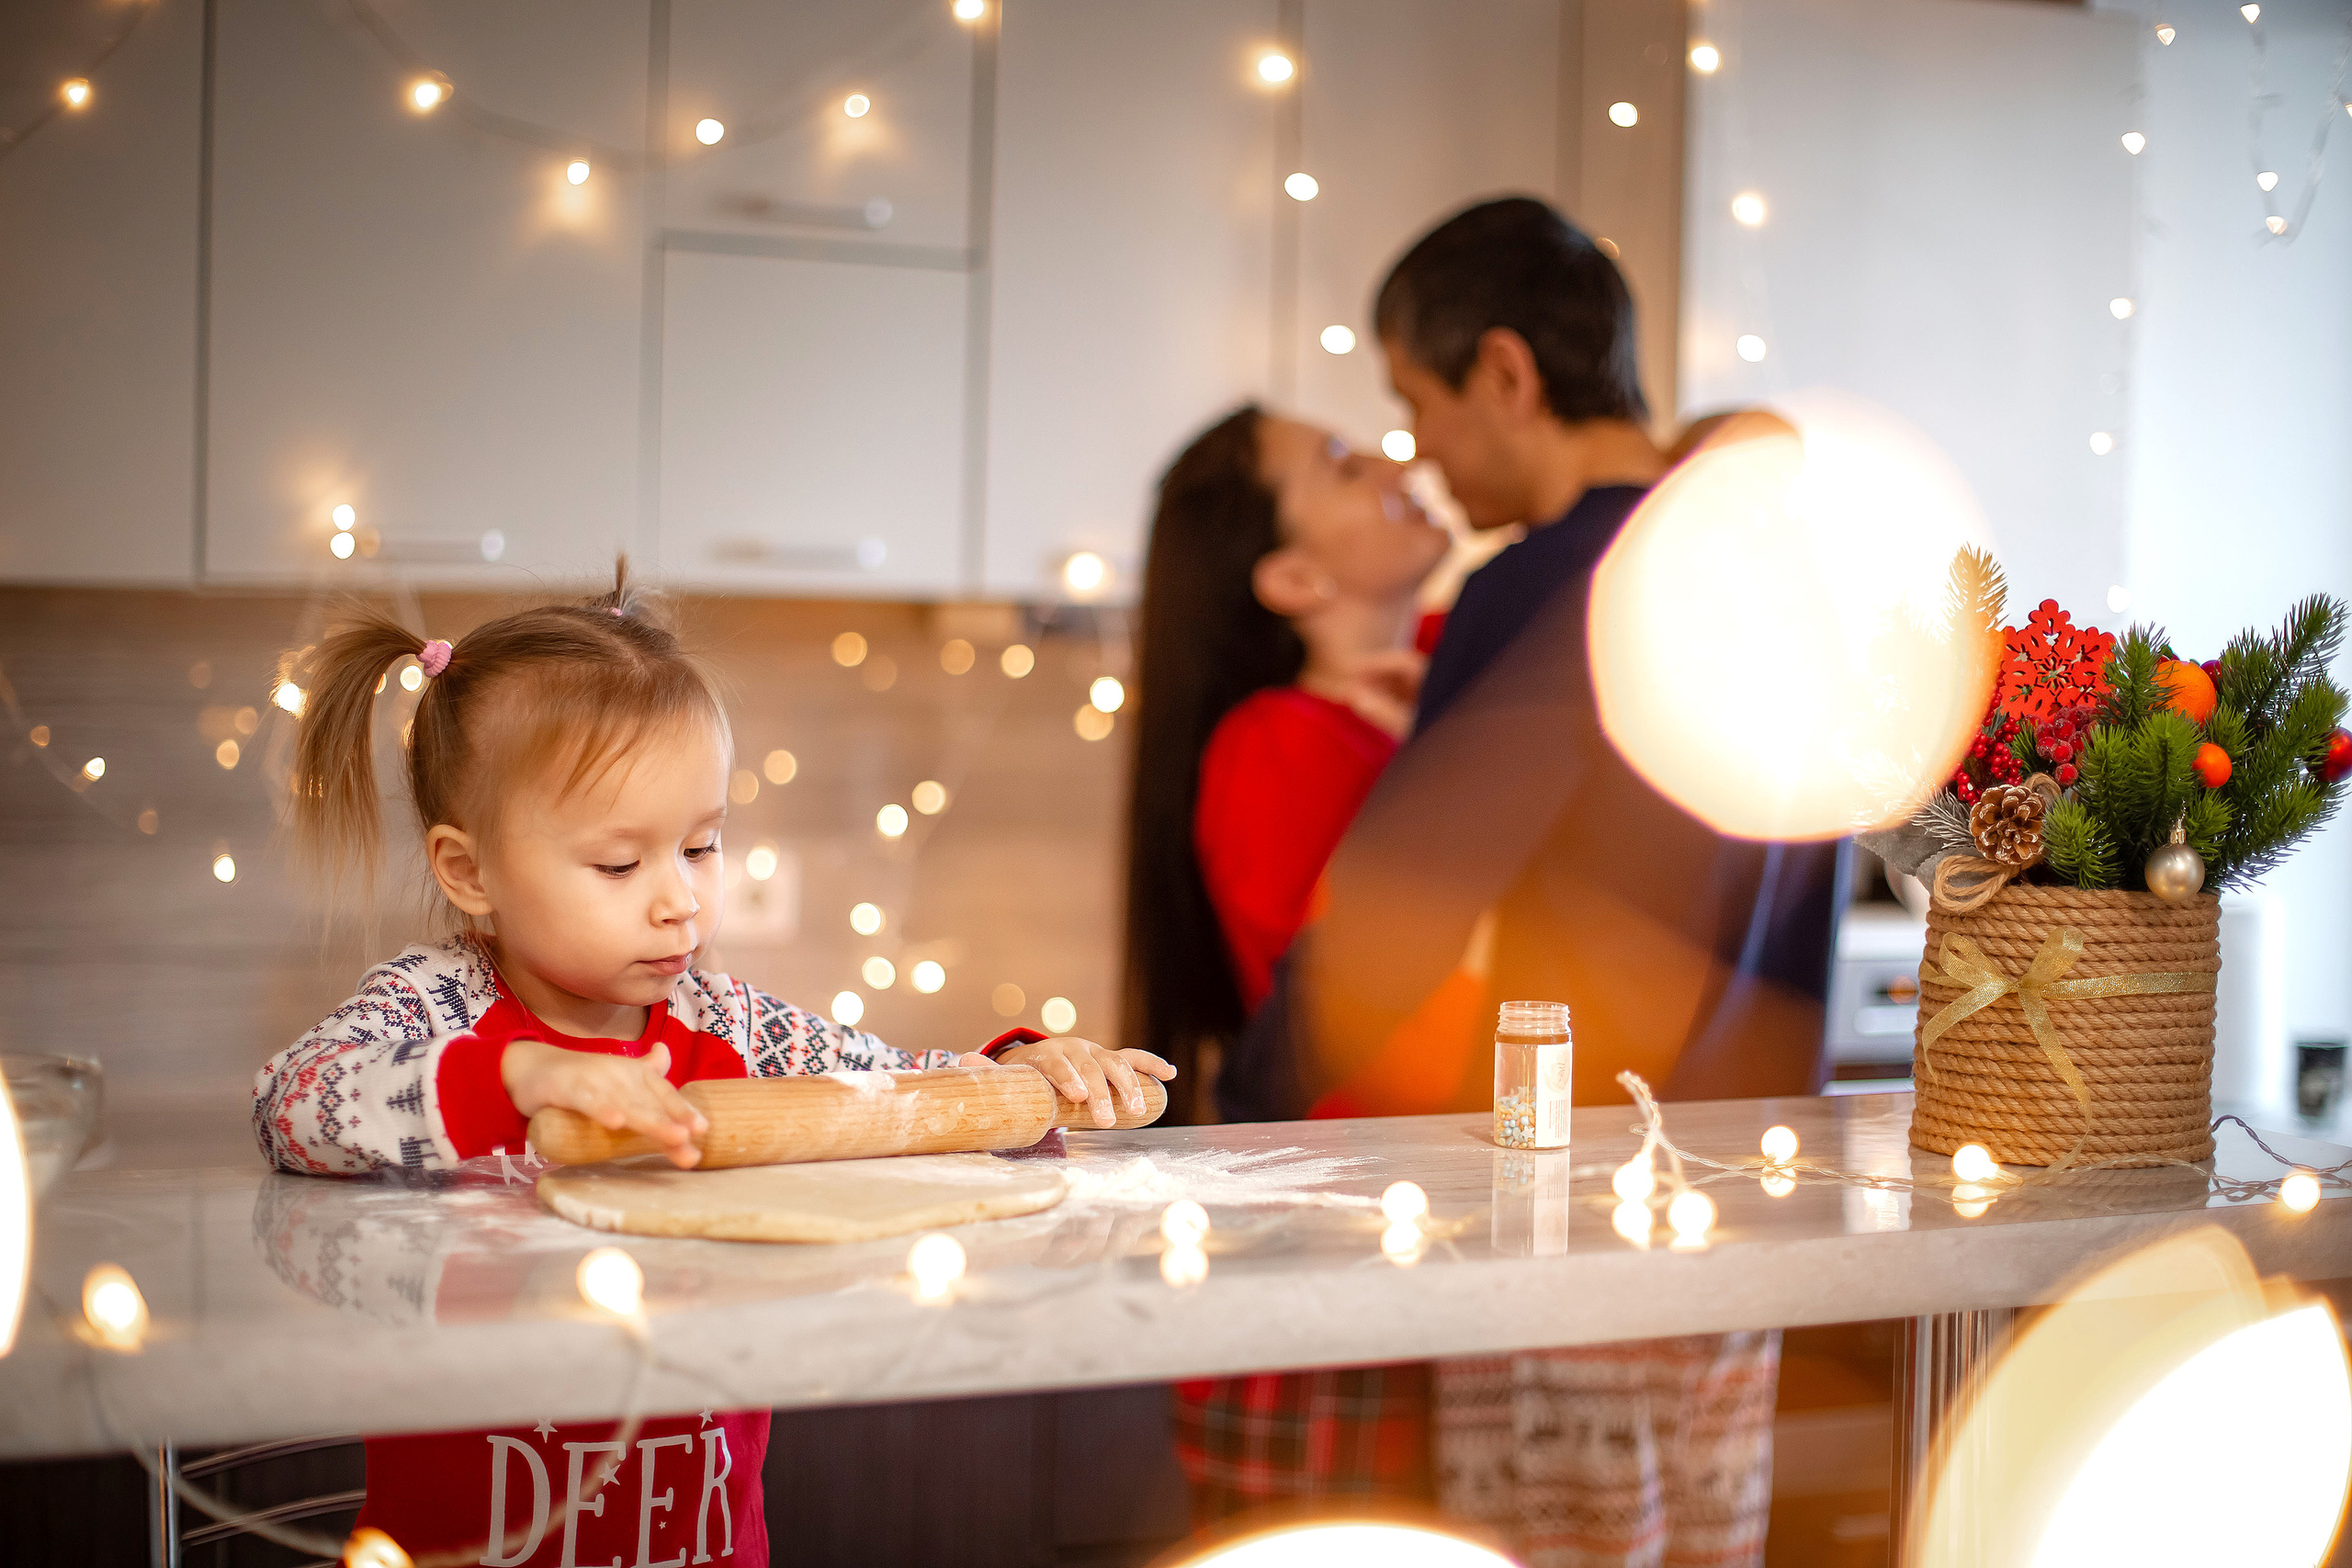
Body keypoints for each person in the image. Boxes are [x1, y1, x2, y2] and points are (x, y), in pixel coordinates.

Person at [254, 576, 1173, 1568]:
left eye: (701, 846)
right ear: (468, 870)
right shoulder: (433, 1010)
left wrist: (1025, 1072)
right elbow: (291, 1101)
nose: (679, 901)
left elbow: (897, 1093)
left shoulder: (731, 1024)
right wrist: (513, 1079)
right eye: (619, 865)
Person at [1239, 197, 1843, 1566]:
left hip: (1565, 1221)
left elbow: (1386, 933)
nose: (1424, 455)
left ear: (1506, 374)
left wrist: (1210, 1130)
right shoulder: (1772, 584)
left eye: (1419, 402)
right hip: (1748, 1218)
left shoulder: (1547, 581)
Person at [1123, 406, 1449, 1524]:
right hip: (1341, 1286)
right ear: (1296, 578)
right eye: (1340, 463)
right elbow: (1370, 1034)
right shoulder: (1278, 746)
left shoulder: (1461, 656)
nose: (1389, 461)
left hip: (1413, 1261)